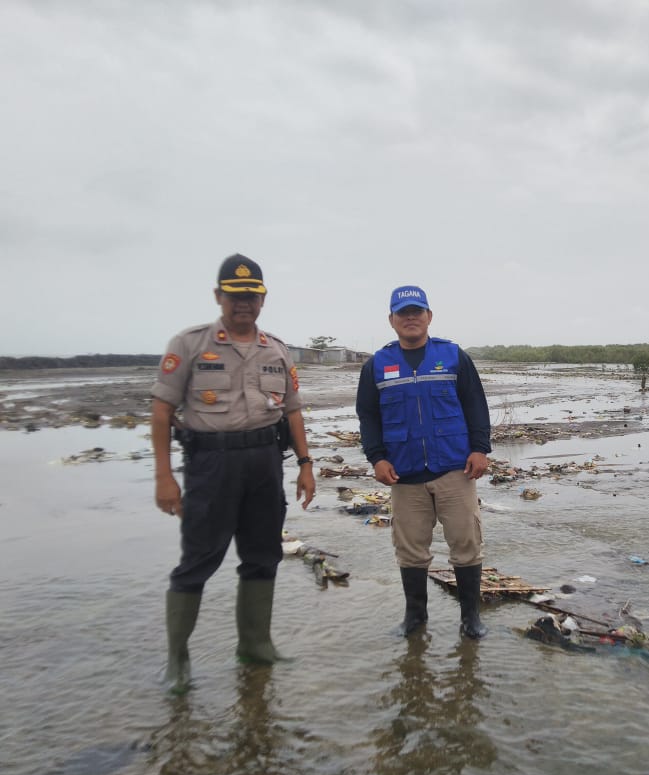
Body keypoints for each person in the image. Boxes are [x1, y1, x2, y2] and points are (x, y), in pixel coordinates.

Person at [151, 253, 316, 693]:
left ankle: (256, 647)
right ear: (219, 296)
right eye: (235, 295)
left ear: (262, 300)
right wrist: (164, 476)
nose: (243, 303)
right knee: (198, 560)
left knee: (263, 556)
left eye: (251, 295)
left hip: (265, 464)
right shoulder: (189, 344)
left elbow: (294, 413)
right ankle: (177, 661)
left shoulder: (277, 350)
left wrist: (305, 465)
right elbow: (162, 410)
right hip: (210, 464)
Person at [356, 285, 492, 639]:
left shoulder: (452, 356)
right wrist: (376, 458)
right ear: (392, 320)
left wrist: (480, 448)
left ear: (429, 317)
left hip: (454, 469)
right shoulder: (377, 365)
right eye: (403, 312)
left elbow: (475, 404)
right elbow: (368, 416)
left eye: (418, 311)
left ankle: (470, 619)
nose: (411, 317)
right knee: (410, 550)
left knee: (466, 544)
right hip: (404, 473)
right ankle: (415, 618)